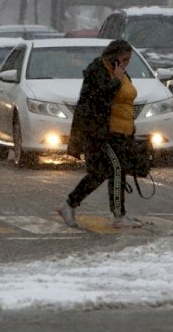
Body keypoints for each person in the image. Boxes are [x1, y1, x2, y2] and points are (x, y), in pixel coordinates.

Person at [57, 39, 143, 229]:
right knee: (115, 169)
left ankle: (69, 204)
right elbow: (98, 100)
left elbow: (125, 100)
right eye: (124, 58)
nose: (126, 63)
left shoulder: (119, 72)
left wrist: (130, 131)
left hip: (120, 133)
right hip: (99, 133)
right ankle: (119, 215)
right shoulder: (97, 71)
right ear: (114, 55)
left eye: (129, 60)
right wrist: (116, 82)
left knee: (99, 174)